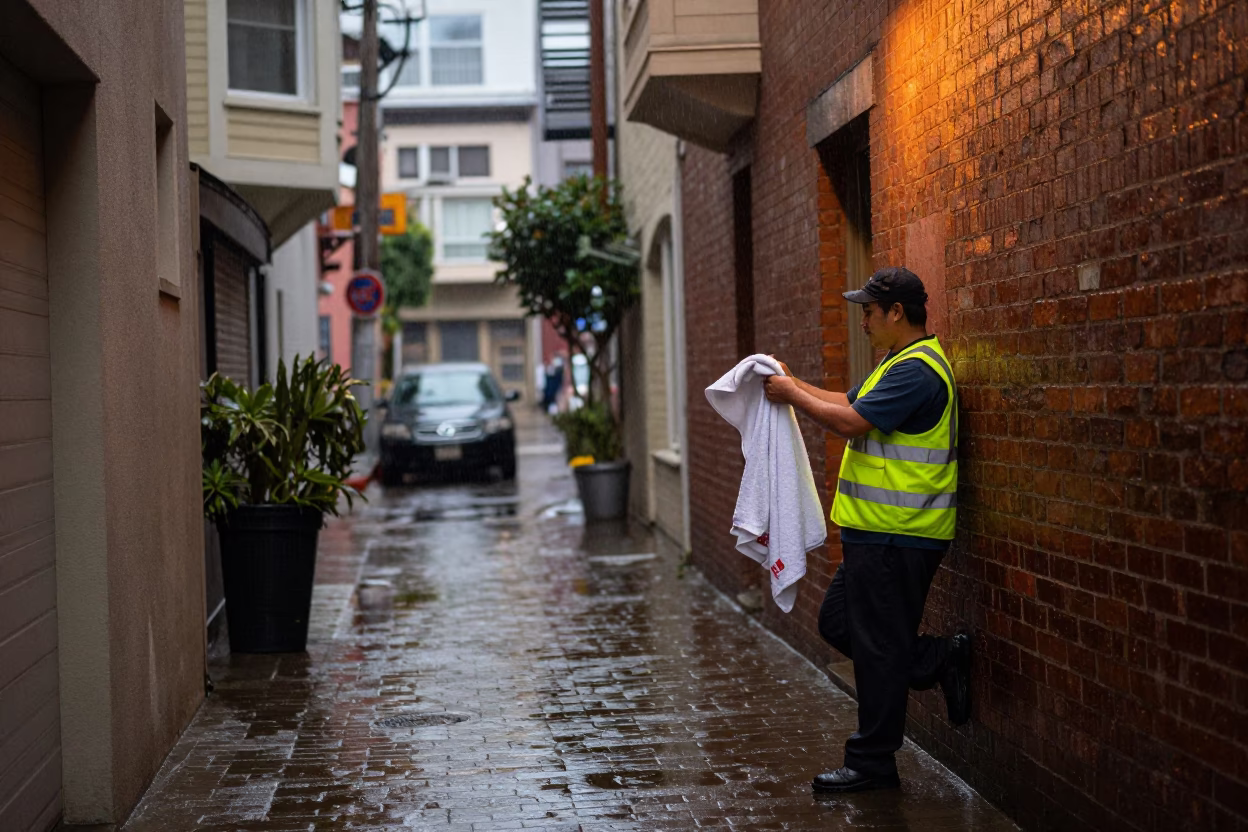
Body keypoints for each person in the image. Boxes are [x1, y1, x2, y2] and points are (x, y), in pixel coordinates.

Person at [763, 266, 972, 794]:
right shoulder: (896, 363)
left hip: (899, 534)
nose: (863, 322)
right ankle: (935, 658)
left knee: (877, 647)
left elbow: (849, 423)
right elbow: (847, 402)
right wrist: (792, 381)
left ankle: (872, 762)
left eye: (869, 312)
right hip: (878, 535)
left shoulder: (917, 371)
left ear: (897, 312)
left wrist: (790, 396)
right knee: (839, 624)